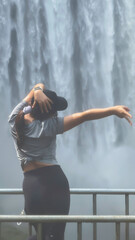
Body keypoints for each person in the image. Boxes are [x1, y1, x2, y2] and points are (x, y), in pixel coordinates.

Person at [8, 83, 132, 240]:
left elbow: (37, 86)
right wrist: (113, 110)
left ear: (32, 104)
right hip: (55, 184)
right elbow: (84, 115)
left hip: (31, 186)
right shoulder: (50, 126)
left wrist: (37, 91)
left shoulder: (14, 119)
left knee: (40, 234)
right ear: (50, 114)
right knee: (55, 235)